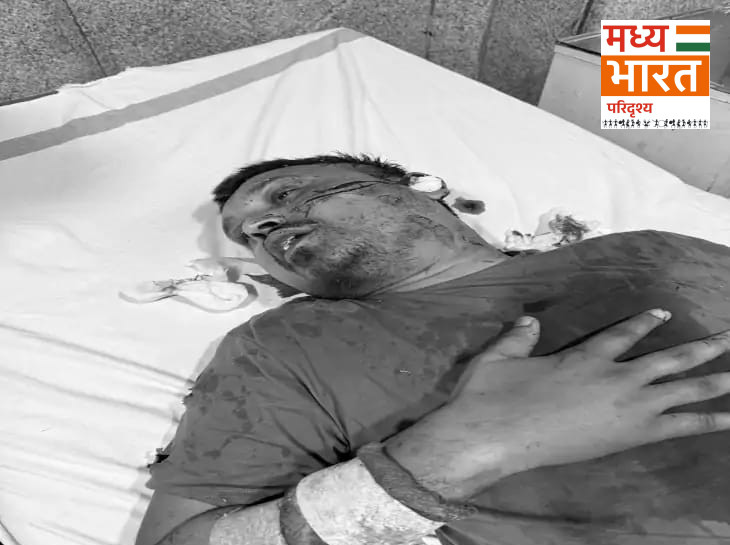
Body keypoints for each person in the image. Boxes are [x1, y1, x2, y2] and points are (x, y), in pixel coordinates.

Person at [136, 154, 730, 545]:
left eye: (284, 194)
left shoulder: (649, 248)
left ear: (416, 186)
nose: (260, 229)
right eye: (246, 237)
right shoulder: (283, 347)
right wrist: (456, 455)